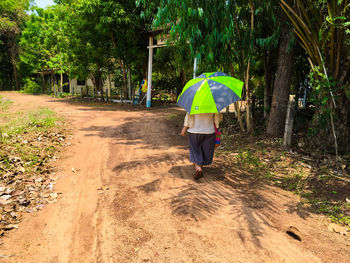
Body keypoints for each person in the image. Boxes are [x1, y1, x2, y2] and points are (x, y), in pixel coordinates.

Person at [181, 112, 222, 180]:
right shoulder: (212, 104)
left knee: (195, 150)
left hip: (195, 131)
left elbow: (188, 117)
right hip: (209, 131)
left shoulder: (194, 104)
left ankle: (198, 168)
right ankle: (200, 166)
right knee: (205, 150)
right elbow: (218, 118)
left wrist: (184, 129)